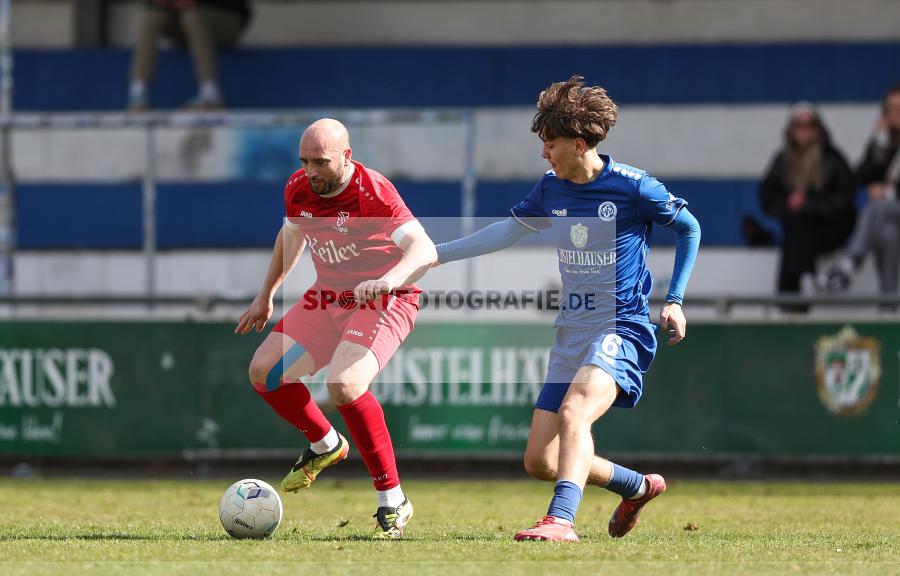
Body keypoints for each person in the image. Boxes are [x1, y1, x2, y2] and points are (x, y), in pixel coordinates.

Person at [433, 76, 701, 542]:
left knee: (576, 411)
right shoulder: (549, 189)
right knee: (540, 459)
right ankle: (636, 486)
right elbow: (505, 231)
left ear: (578, 145)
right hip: (571, 332)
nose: (543, 154)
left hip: (621, 328)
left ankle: (560, 520)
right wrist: (439, 253)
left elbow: (690, 228)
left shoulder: (635, 188)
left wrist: (675, 300)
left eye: (550, 144)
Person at [235, 119, 437, 538]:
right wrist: (266, 293)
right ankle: (327, 444)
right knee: (264, 372)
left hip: (383, 300)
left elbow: (424, 249)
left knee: (345, 384)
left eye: (320, 162)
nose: (310, 171)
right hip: (328, 298)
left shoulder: (373, 192)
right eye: (304, 161)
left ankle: (393, 498)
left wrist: (389, 279)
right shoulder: (298, 188)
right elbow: (291, 237)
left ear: (347, 157)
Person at [758, 103, 856, 309]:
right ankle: (804, 281)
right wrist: (789, 204)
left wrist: (808, 204)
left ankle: (791, 297)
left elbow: (845, 199)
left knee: (799, 222)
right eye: (798, 125)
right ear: (790, 130)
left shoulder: (832, 158)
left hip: (830, 229)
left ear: (818, 128)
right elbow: (767, 198)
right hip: (798, 231)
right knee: (796, 225)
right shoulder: (783, 160)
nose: (804, 131)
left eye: (809, 125)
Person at [823, 83, 900, 303]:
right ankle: (890, 305)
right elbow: (860, 177)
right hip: (892, 217)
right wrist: (880, 142)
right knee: (888, 234)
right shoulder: (884, 142)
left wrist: (890, 192)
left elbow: (883, 191)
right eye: (892, 109)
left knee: (878, 205)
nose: (897, 114)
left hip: (888, 207)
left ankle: (850, 263)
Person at [128, 0, 252, 110]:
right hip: (183, 21)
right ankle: (138, 92)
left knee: (192, 16)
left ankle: (209, 93)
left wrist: (197, 2)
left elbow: (237, 5)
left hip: (225, 17)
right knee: (152, 16)